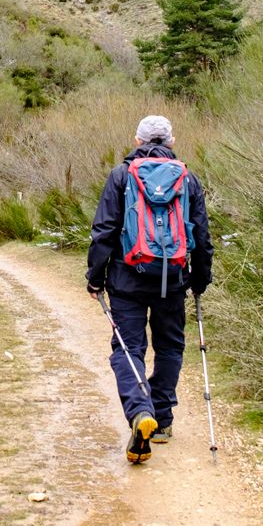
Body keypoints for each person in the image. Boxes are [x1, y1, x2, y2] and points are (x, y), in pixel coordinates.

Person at [85, 114, 212, 463]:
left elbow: (104, 231)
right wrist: (200, 278)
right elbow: (201, 234)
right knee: (170, 345)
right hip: (172, 277)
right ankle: (162, 419)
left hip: (127, 277)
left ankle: (140, 411)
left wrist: (95, 276)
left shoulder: (121, 175)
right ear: (170, 141)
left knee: (128, 347)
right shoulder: (188, 179)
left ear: (138, 140)